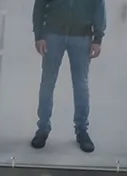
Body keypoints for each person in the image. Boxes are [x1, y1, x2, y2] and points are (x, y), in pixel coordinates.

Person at [31, 0, 105, 152]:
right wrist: (39, 35)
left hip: (81, 36)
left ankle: (82, 130)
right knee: (48, 82)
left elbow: (99, 5)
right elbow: (40, 5)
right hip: (53, 34)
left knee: (81, 85)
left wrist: (98, 38)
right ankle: (43, 128)